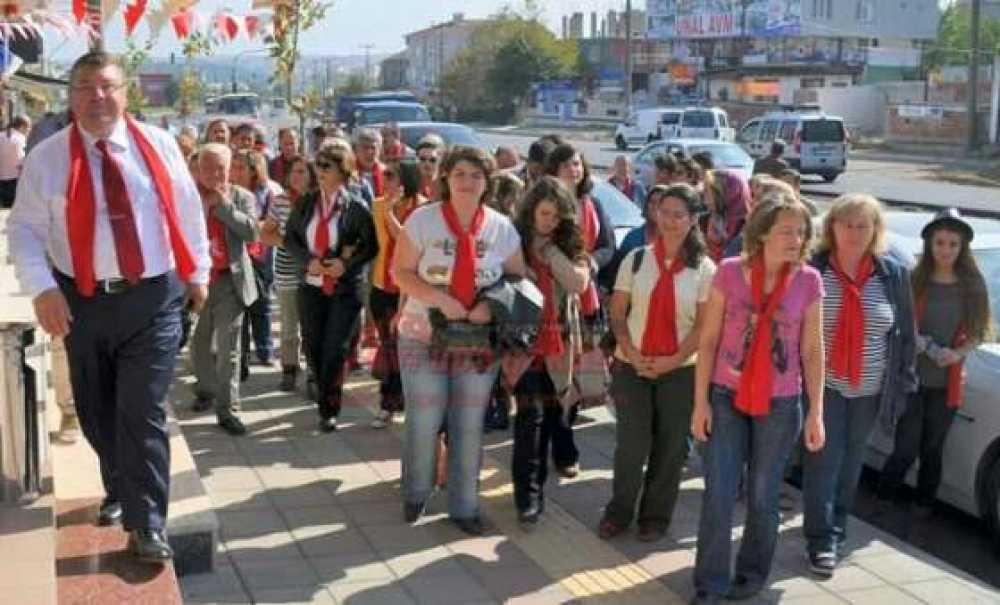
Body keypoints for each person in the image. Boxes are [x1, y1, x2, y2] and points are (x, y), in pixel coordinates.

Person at [7, 51, 211, 562]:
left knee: (140, 409)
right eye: (85, 87)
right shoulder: (47, 157)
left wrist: (199, 273)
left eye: (107, 86)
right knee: (98, 412)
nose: (97, 97)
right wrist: (43, 289)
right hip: (82, 300)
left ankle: (148, 525)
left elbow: (187, 211)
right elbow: (26, 231)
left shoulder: (159, 145)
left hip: (152, 297)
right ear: (70, 96)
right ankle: (120, 487)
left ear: (125, 92)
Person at [690, 191, 825, 603]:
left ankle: (750, 577)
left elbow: (812, 351)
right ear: (762, 233)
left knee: (764, 496)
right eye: (786, 230)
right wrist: (700, 404)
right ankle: (710, 585)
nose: (795, 239)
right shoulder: (730, 273)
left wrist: (817, 412)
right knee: (719, 493)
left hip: (782, 403)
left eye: (801, 232)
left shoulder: (808, 280)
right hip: (726, 396)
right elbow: (709, 341)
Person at [393, 145, 525, 535]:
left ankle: (464, 506)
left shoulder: (501, 227)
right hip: (423, 335)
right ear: (445, 178)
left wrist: (491, 303)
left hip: (478, 343)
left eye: (476, 175)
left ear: (488, 182)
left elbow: (519, 280)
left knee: (468, 422)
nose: (468, 182)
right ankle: (416, 493)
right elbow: (401, 272)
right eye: (460, 174)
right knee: (425, 417)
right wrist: (439, 299)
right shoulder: (423, 221)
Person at [802, 193, 917, 579]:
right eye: (846, 223)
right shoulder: (814, 269)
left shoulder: (893, 274)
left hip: (871, 389)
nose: (854, 232)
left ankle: (838, 525)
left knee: (852, 462)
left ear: (875, 231)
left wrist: (904, 382)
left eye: (862, 225)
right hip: (825, 386)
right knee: (823, 461)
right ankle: (821, 539)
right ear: (831, 227)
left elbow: (905, 334)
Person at [599, 183, 716, 542]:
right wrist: (632, 353)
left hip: (680, 371)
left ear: (694, 219)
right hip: (631, 366)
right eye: (663, 212)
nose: (669, 221)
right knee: (631, 447)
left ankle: (655, 516)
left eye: (679, 215)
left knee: (669, 450)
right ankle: (619, 512)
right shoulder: (637, 259)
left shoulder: (705, 269)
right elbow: (617, 313)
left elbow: (702, 327)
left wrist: (672, 361)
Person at [879, 209, 992, 509]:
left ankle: (923, 506)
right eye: (940, 242)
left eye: (953, 244)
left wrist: (957, 353)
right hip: (912, 378)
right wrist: (914, 340)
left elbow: (980, 330)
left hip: (947, 383)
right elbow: (898, 321)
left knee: (933, 449)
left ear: (962, 247)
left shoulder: (973, 286)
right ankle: (884, 498)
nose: (946, 250)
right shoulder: (915, 279)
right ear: (930, 244)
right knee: (906, 447)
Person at [510, 176, 590, 526]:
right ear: (531, 211)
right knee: (530, 419)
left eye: (557, 216)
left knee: (554, 416)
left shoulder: (568, 243)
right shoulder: (513, 239)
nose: (549, 222)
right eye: (544, 214)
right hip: (523, 344)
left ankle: (538, 487)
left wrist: (551, 252)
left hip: (559, 345)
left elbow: (578, 282)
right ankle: (527, 497)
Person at [284, 147, 377, 431]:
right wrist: (308, 261)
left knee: (334, 348)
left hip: (345, 289)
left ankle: (329, 408)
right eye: (318, 165)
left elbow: (370, 246)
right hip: (311, 285)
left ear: (343, 171)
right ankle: (323, 386)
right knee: (313, 344)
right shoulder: (306, 203)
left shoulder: (356, 206)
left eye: (327, 166)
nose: (320, 171)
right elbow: (290, 239)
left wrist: (345, 265)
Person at [545, 143, 616, 479]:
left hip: (587, 303)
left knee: (578, 380)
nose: (572, 170)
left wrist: (589, 263)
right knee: (555, 380)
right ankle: (561, 448)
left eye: (576, 163)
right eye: (564, 165)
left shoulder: (594, 203)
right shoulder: (546, 208)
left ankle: (565, 444)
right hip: (555, 306)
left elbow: (608, 247)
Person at [190, 144, 260, 437]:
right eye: (208, 168)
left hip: (229, 281)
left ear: (229, 170)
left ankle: (228, 408)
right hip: (198, 282)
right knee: (199, 344)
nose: (214, 174)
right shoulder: (187, 196)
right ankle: (206, 389)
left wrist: (225, 208)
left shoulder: (241, 197)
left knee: (229, 349)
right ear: (198, 169)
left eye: (220, 168)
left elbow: (252, 233)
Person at [369, 159, 426, 428]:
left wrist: (391, 214)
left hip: (411, 291)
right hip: (383, 287)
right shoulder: (377, 205)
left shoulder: (424, 209)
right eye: (384, 175)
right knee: (389, 347)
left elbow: (407, 242)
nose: (385, 180)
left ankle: (400, 401)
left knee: (407, 350)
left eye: (390, 175)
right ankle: (388, 404)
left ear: (406, 180)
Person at [261, 156, 316, 391]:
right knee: (289, 325)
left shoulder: (319, 201)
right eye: (294, 171)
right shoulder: (280, 201)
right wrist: (287, 242)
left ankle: (314, 373)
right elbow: (266, 234)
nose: (296, 176)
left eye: (302, 171)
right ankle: (289, 370)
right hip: (286, 271)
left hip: (314, 271)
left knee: (312, 325)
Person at [231, 150, 282, 373]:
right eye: (234, 167)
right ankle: (241, 354)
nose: (236, 172)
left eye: (241, 167)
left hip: (260, 254)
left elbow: (270, 223)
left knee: (261, 303)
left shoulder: (267, 192)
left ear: (254, 170)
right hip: (236, 253)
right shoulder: (230, 192)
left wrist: (252, 227)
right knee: (238, 304)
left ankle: (265, 350)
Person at [702, 170, 751, 262]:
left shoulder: (749, 230)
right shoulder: (704, 221)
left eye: (708, 193)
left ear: (728, 194)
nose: (705, 200)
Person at [0, 114, 30, 208]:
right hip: (13, 183)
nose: (29, 131)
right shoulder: (20, 139)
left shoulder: (1, 135)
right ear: (21, 127)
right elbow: (21, 164)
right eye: (28, 128)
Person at [354, 127, 385, 199]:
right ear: (356, 150)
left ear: (379, 150)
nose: (369, 152)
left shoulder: (386, 173)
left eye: (373, 148)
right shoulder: (348, 173)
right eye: (365, 147)